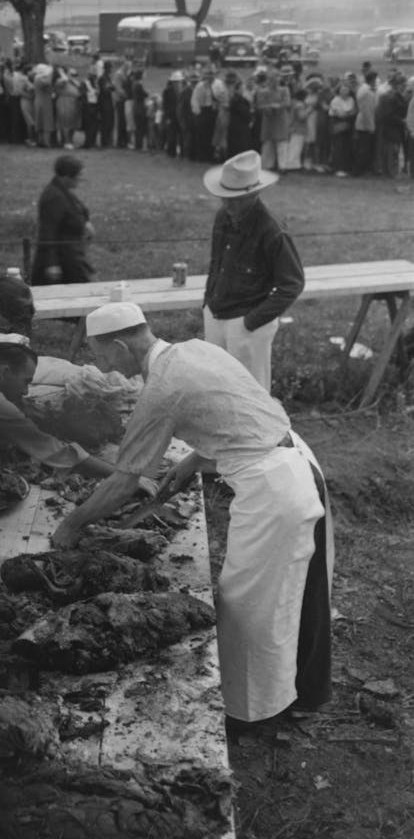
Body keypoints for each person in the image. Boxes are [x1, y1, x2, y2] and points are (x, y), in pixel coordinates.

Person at [51, 301, 334, 732]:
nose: (99, 364)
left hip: (275, 487)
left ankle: (250, 717)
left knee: (249, 605)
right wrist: (193, 461)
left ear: (122, 345)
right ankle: (307, 694)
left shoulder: (162, 389)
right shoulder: (197, 350)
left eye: (100, 354)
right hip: (295, 457)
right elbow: (235, 409)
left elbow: (125, 481)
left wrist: (72, 524)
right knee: (303, 588)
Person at [0, 335, 123, 479]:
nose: (26, 391)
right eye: (25, 381)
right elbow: (55, 451)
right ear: (4, 372)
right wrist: (120, 477)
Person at [202, 151, 304, 392]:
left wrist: (251, 322)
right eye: (224, 197)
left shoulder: (272, 230)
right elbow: (217, 263)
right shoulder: (223, 216)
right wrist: (208, 302)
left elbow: (292, 284)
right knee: (215, 386)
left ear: (254, 193)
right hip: (217, 311)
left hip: (247, 319)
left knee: (251, 393)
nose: (228, 204)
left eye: (236, 199)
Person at [31, 154, 94, 285]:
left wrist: (85, 222)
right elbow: (47, 232)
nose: (81, 179)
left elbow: (80, 208)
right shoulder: (53, 197)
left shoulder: (63, 190)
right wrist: (51, 264)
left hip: (72, 255)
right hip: (62, 259)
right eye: (78, 175)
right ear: (66, 176)